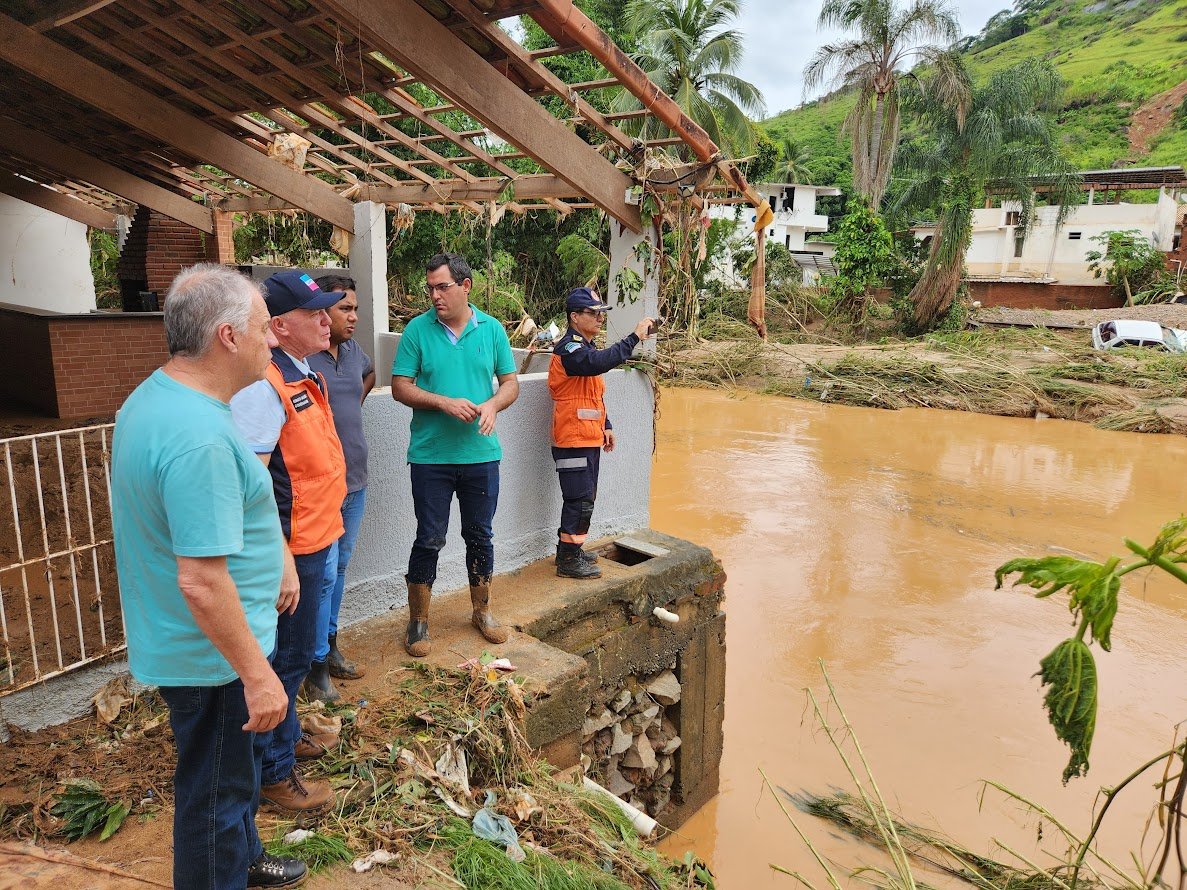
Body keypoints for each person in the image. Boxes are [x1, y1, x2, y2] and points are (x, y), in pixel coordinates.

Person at [111, 263, 307, 889]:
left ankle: (244, 860)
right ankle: (222, 871)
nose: (271, 341)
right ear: (227, 335)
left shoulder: (164, 396)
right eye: (261, 329)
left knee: (232, 776)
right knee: (214, 798)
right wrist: (258, 676)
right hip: (213, 659)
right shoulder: (198, 438)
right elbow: (201, 581)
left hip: (203, 646)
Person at [230, 270, 346, 814]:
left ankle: (289, 736)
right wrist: (280, 562)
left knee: (298, 655)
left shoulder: (302, 372)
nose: (327, 320)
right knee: (288, 657)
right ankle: (275, 774)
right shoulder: (263, 387)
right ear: (279, 325)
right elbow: (253, 487)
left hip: (317, 537)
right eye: (315, 313)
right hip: (291, 549)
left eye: (327, 310)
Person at [391, 253, 519, 657]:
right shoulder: (417, 330)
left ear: (465, 287)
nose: (434, 295)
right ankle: (419, 622)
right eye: (430, 288)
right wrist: (443, 402)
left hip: (481, 454)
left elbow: (511, 383)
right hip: (430, 457)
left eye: (442, 287)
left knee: (480, 535)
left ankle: (482, 611)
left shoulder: (493, 330)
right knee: (430, 537)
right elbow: (400, 387)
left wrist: (494, 406)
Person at [303, 274, 375, 702]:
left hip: (355, 481)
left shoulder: (351, 352)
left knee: (340, 569)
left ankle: (329, 650)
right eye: (345, 308)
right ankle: (313, 668)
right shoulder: (302, 357)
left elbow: (367, 375)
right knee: (323, 577)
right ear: (322, 312)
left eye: (355, 308)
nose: (354, 316)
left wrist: (348, 408)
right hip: (320, 487)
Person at [548, 288, 654, 578]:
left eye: (600, 313)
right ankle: (568, 561)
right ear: (574, 317)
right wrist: (634, 338)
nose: (599, 318)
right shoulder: (570, 350)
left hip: (587, 436)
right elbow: (598, 364)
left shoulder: (586, 348)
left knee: (585, 498)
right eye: (593, 313)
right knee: (579, 500)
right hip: (572, 439)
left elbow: (593, 395)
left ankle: (571, 551)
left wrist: (606, 425)